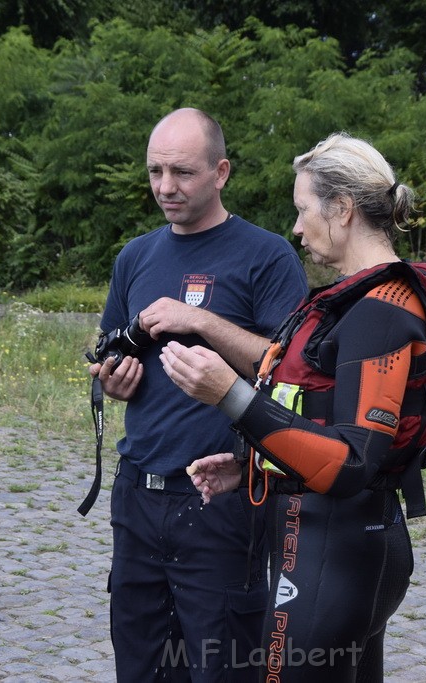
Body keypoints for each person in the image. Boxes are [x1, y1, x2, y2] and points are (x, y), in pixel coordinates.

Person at [159, 132, 426, 682]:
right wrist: (258, 464)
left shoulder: (379, 310)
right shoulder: (365, 301)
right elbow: (325, 418)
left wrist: (230, 394)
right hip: (341, 544)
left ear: (341, 209)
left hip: (332, 552)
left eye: (302, 210)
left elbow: (351, 462)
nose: (296, 227)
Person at [88, 107, 309, 682]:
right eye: (155, 171)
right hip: (138, 493)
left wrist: (202, 321)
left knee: (220, 668)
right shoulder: (135, 256)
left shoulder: (267, 256)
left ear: (222, 172)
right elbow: (109, 351)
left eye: (182, 172)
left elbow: (292, 376)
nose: (166, 187)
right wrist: (112, 381)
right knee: (140, 665)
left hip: (221, 498)